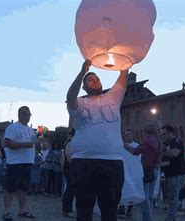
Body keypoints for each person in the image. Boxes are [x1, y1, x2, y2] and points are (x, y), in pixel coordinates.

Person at [66, 60, 128, 221]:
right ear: (84, 86)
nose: (95, 81)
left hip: (112, 162)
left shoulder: (112, 98)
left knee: (110, 209)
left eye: (97, 79)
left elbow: (124, 73)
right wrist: (82, 73)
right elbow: (70, 96)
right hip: (83, 162)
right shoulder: (80, 103)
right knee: (84, 209)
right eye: (90, 80)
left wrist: (126, 56)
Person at [2, 106, 36, 221]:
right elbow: (7, 142)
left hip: (28, 162)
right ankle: (6, 211)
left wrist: (39, 143)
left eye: (29, 114)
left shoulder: (31, 130)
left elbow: (34, 144)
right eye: (26, 114)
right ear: (20, 114)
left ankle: (22, 210)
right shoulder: (13, 128)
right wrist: (23, 145)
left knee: (23, 188)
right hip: (15, 163)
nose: (28, 116)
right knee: (10, 188)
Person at [123, 124, 161, 221]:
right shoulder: (158, 141)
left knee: (145, 196)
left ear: (146, 132)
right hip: (155, 169)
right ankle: (150, 216)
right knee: (150, 196)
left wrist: (123, 145)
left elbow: (134, 151)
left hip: (147, 170)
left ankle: (147, 218)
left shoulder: (147, 141)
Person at [159, 125, 185, 221]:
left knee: (173, 195)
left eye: (164, 134)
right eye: (161, 134)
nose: (162, 136)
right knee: (170, 196)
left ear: (171, 133)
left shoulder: (176, 142)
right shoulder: (166, 143)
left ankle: (171, 217)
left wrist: (162, 150)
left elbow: (174, 153)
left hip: (176, 173)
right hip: (168, 173)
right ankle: (171, 215)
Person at [62, 129, 76, 218]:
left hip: (71, 168)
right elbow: (68, 156)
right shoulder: (70, 143)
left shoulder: (71, 143)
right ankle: (67, 210)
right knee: (70, 190)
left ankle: (67, 209)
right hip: (70, 169)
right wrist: (75, 166)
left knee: (70, 190)